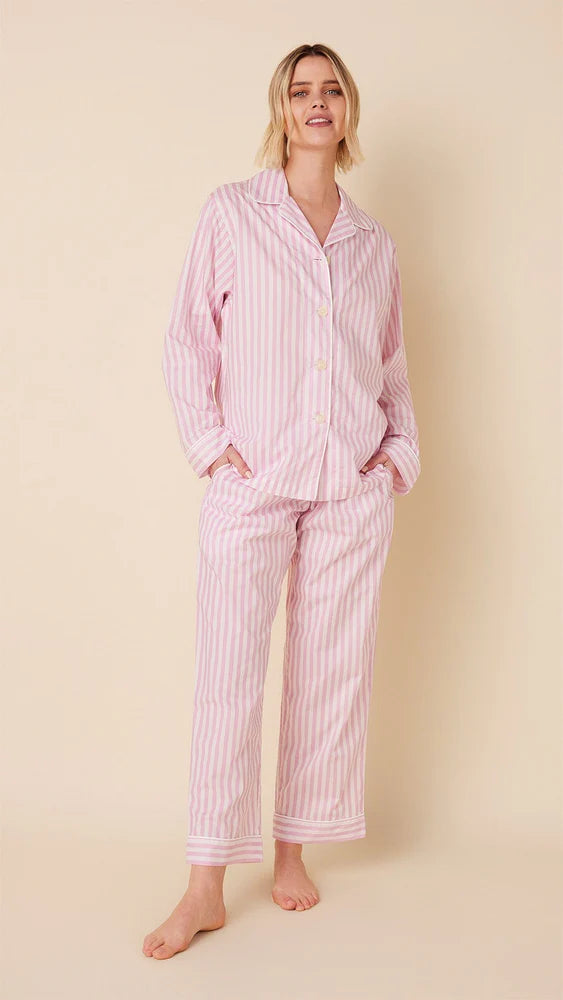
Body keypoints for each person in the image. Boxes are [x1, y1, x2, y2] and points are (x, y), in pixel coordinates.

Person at [143, 41, 420, 960]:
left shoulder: (373, 242)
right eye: (300, 90)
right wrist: (212, 452)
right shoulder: (232, 212)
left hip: (346, 488)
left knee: (327, 674)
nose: (316, 102)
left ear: (347, 111)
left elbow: (389, 365)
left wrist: (392, 462)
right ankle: (205, 885)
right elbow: (188, 338)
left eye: (330, 89)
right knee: (228, 674)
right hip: (253, 482)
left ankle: (292, 850)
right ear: (281, 108)